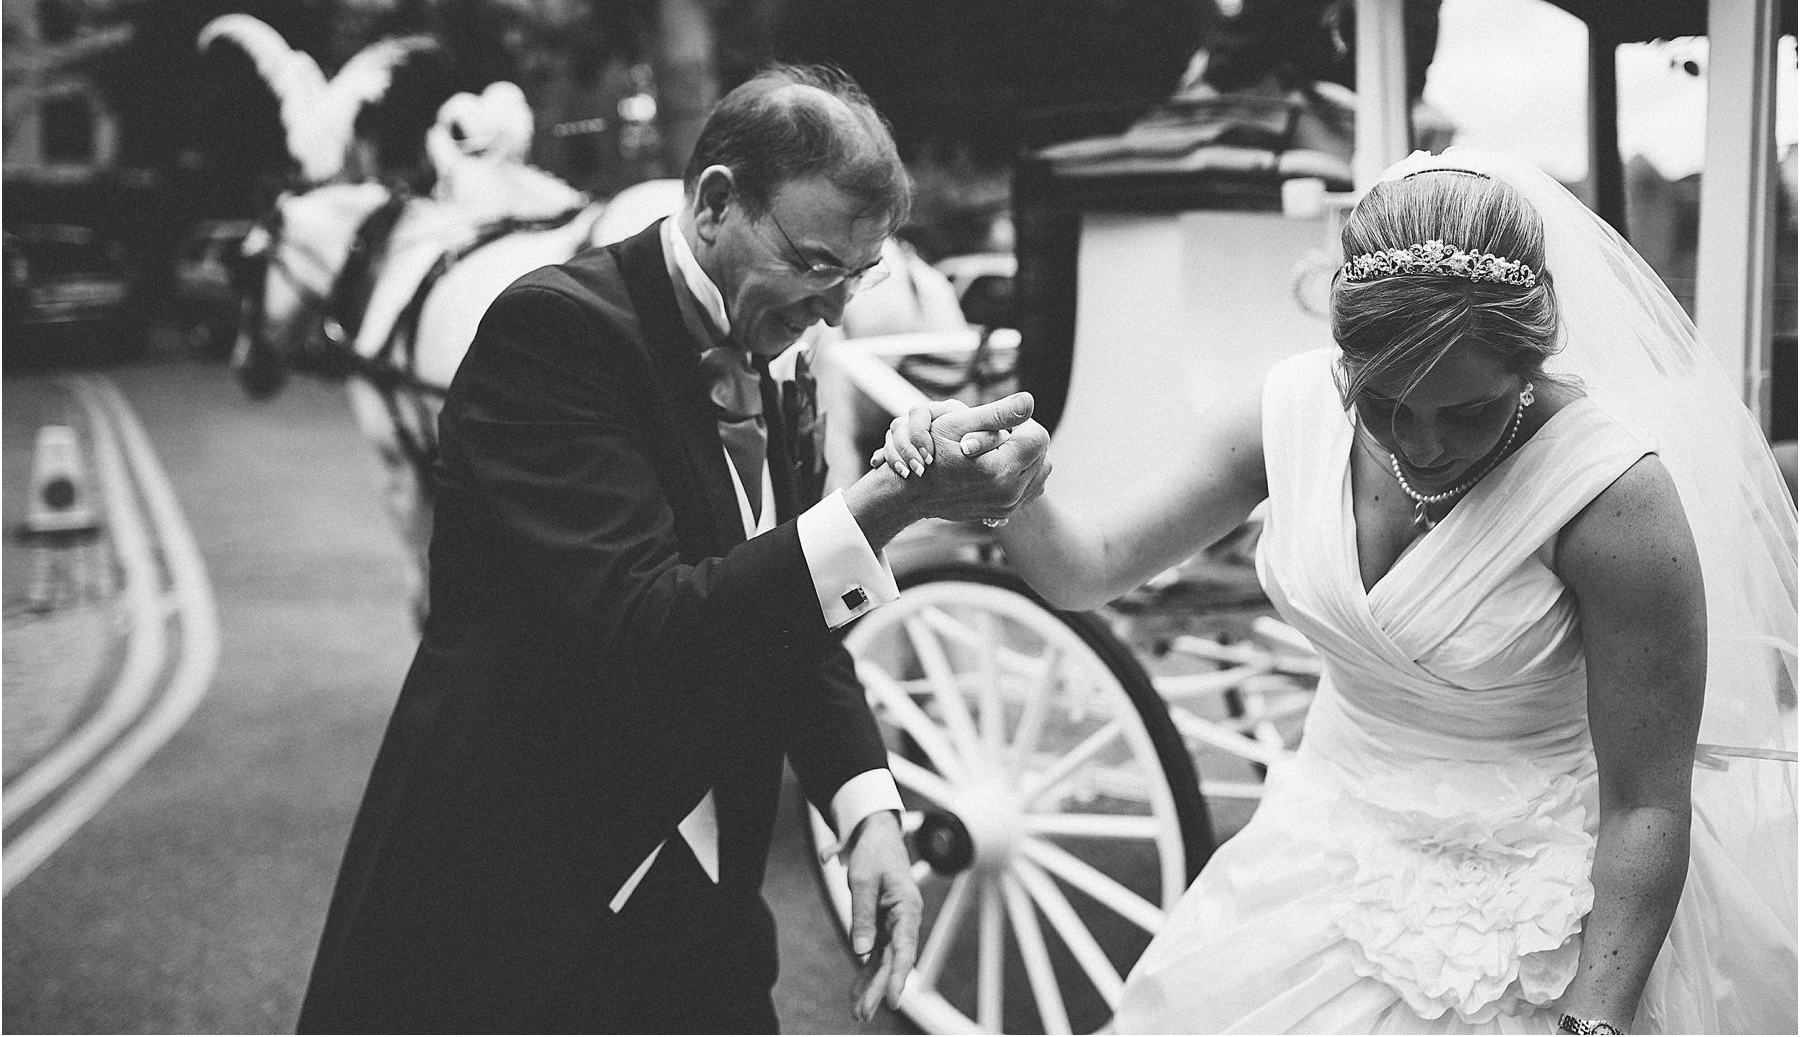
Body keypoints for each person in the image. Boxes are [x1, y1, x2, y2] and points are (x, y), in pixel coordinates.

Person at [876, 148, 1797, 1033]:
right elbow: (1089, 568)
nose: (1423, 444)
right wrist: (1018, 491)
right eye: (1386, 403)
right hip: (1322, 844)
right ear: (1343, 352)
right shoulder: (1290, 408)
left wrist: (1591, 1022)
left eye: (1469, 411)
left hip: (1544, 899)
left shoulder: (1616, 499)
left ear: (1534, 356)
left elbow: (1647, 802)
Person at [296, 64, 1051, 1033]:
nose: (832, 309)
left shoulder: (780, 349)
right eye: (817, 263)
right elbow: (645, 621)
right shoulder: (555, 330)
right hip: (525, 892)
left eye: (858, 278)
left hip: (704, 911)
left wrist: (865, 808)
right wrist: (884, 508)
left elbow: (789, 617)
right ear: (713, 203)